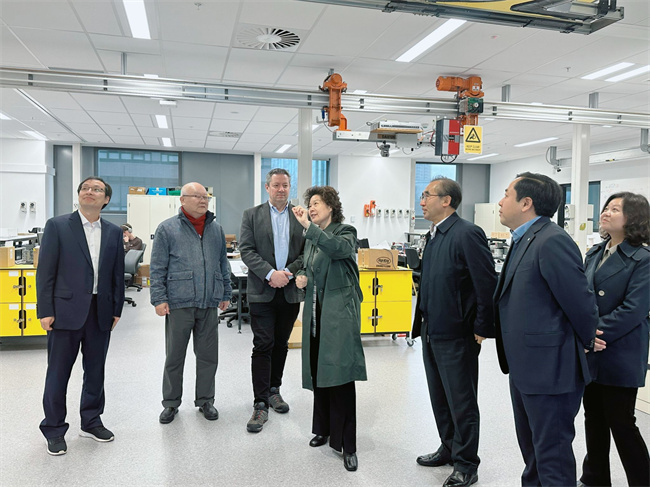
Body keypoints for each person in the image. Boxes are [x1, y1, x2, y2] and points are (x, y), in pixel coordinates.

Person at [495, 172, 599, 487]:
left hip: (551, 370)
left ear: (526, 203)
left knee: (552, 457)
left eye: (506, 194)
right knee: (533, 454)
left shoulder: (552, 240)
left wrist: (587, 340)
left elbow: (580, 302)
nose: (500, 202)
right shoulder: (524, 238)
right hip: (526, 368)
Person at [411, 178, 496, 487]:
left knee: (462, 402)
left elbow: (486, 284)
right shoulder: (433, 236)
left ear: (446, 201)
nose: (422, 201)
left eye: (427, 195)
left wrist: (482, 327)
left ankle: (466, 464)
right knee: (440, 397)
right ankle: (448, 447)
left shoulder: (467, 233)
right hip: (431, 330)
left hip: (458, 333)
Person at [36, 176, 125, 456]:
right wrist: (45, 310)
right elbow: (45, 271)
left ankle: (91, 421)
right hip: (64, 312)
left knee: (95, 371)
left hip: (100, 311)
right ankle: (53, 429)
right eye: (85, 188)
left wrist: (117, 309)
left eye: (97, 189)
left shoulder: (113, 232)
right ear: (79, 195)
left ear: (106, 199)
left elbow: (117, 274)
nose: (90, 192)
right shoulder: (58, 226)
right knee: (58, 373)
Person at [292, 186, 367, 472]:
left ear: (331, 207)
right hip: (316, 314)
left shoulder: (345, 232)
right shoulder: (312, 237)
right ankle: (322, 429)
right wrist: (301, 275)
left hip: (338, 315)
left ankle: (348, 445)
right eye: (309, 204)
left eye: (316, 203)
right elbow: (308, 266)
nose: (311, 208)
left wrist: (309, 228)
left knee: (340, 375)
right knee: (318, 370)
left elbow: (338, 250)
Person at [578, 192, 650, 487]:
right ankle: (594, 478)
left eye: (615, 209)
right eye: (606, 208)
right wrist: (584, 332)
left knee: (621, 423)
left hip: (620, 350)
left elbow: (634, 310)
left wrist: (592, 332)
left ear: (633, 218)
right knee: (593, 418)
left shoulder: (643, 259)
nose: (605, 212)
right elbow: (582, 297)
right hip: (591, 350)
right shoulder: (595, 252)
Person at [150, 182, 231, 424]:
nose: (203, 200)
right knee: (174, 356)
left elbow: (223, 264)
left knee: (208, 356)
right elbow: (157, 267)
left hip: (208, 301)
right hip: (179, 301)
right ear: (182, 200)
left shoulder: (216, 229)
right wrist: (159, 298)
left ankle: (206, 400)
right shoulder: (167, 229)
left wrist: (226, 292)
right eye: (197, 196)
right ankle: (171, 403)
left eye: (206, 196)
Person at [239, 168, 305, 433]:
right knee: (263, 344)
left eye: (285, 185)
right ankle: (260, 403)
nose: (281, 189)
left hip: (289, 291)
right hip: (262, 290)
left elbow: (306, 252)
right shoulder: (252, 215)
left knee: (281, 344)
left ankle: (274, 390)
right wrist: (270, 273)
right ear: (267, 187)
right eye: (276, 185)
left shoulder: (300, 215)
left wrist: (287, 273)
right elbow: (246, 250)